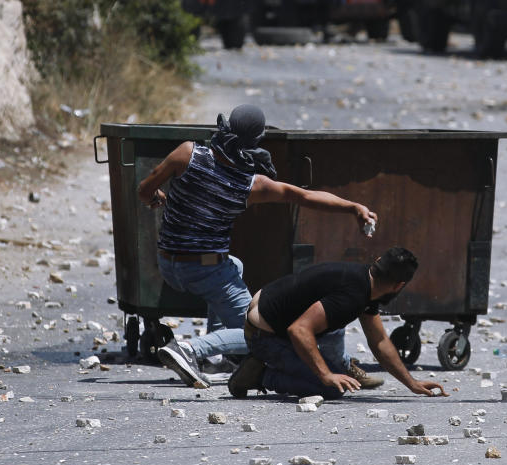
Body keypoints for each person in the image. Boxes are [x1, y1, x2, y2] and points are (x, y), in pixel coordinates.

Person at [136, 104, 380, 389]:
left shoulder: (187, 153)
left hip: (168, 263)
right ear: (256, 141)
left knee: (234, 265)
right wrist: (353, 207)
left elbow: (144, 189)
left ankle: (218, 360)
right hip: (205, 270)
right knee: (259, 332)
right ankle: (190, 350)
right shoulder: (251, 185)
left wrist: (156, 196)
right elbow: (303, 196)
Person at [228, 247, 449, 400]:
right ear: (399, 286)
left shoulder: (366, 282)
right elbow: (299, 330)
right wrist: (326, 375)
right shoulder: (352, 296)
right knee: (331, 389)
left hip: (267, 319)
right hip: (265, 337)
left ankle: (281, 366)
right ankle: (259, 375)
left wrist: (411, 383)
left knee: (331, 373)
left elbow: (379, 341)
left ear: (379, 262)